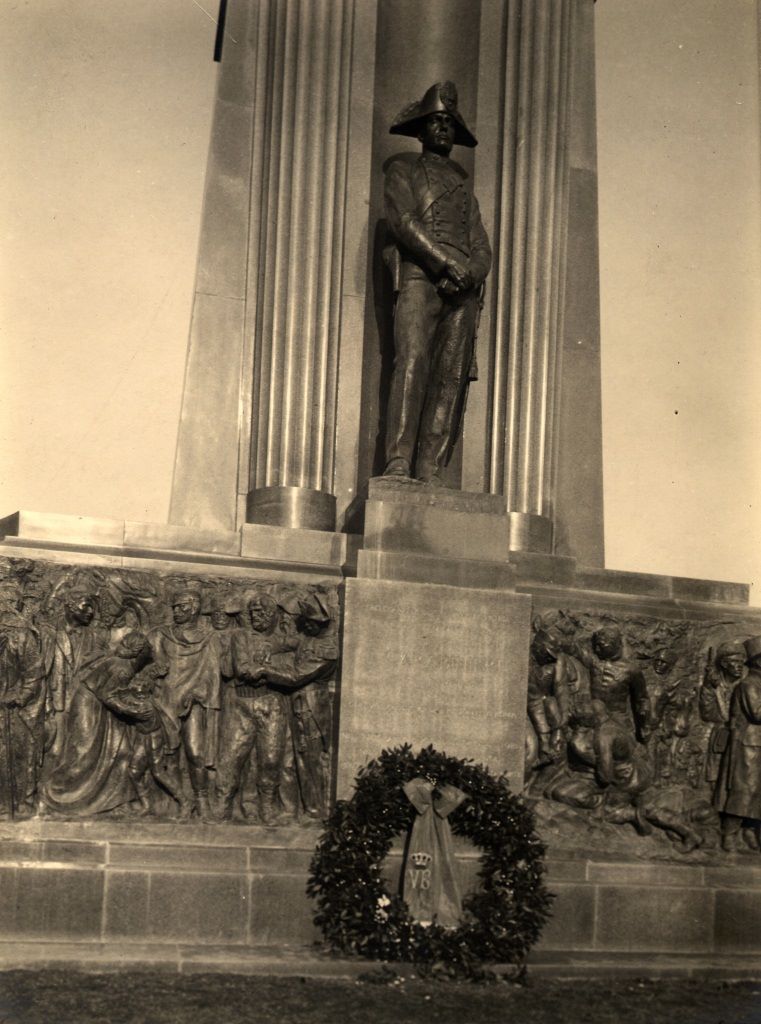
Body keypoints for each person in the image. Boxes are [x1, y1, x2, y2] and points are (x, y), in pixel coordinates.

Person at [383, 81, 491, 484]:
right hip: (420, 276)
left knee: (450, 377)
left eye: (449, 122)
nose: (443, 128)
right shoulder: (402, 170)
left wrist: (470, 274)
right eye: (435, 121)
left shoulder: (466, 189)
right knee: (412, 362)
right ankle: (398, 460)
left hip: (461, 291)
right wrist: (446, 263)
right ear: (421, 130)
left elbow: (481, 245)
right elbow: (404, 222)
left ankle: (430, 468)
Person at [149, 586, 221, 821]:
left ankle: (201, 798)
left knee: (195, 752)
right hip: (165, 700)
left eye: (182, 607)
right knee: (168, 753)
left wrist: (198, 693)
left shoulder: (208, 638)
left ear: (195, 608)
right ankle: (179, 801)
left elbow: (212, 675)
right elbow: (150, 666)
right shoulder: (160, 634)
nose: (176, 611)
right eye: (175, 607)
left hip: (194, 702)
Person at [713, 635, 761, 852]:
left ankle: (749, 830)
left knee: (757, 792)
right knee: (743, 790)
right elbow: (757, 713)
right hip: (748, 746)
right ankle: (729, 833)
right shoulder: (749, 685)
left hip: (756, 746)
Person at [699, 640, 746, 785]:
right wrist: (708, 688)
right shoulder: (716, 686)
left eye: (741, 662)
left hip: (743, 739)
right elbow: (707, 714)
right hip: (721, 738)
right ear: (724, 664)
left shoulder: (747, 685)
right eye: (735, 662)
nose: (740, 666)